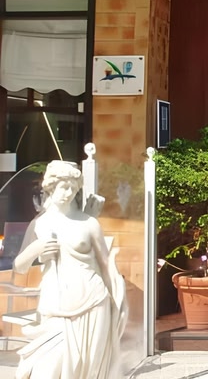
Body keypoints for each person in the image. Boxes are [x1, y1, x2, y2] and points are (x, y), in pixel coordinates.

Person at [12, 160, 127, 379]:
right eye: (64, 187)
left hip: (93, 301)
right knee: (46, 370)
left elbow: (106, 266)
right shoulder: (40, 224)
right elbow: (19, 267)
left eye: (73, 189)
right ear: (51, 186)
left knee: (87, 370)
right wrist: (36, 249)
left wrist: (118, 306)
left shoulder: (89, 223)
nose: (69, 193)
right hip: (56, 306)